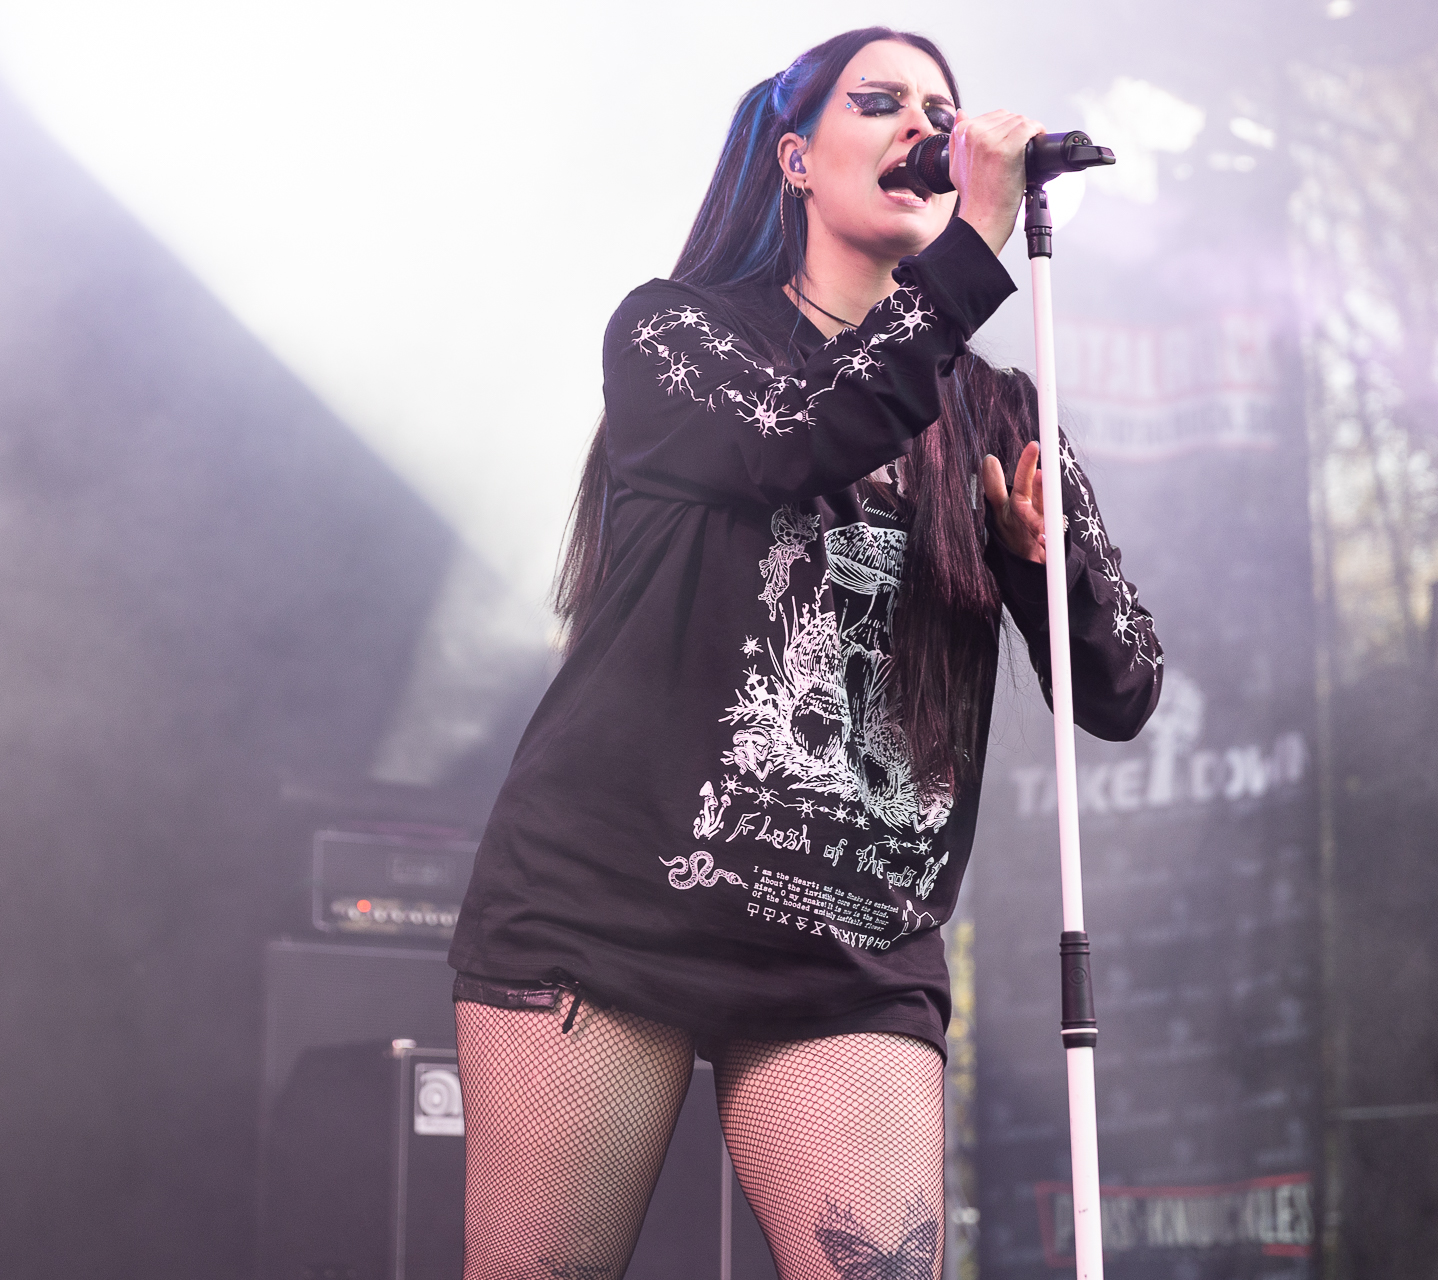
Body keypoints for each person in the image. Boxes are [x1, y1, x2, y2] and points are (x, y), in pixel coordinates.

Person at [447, 26, 1162, 1280]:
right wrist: (971, 251)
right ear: (794, 159)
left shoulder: (999, 410)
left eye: (939, 108)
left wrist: (1040, 566)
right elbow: (795, 436)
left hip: (850, 949)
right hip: (608, 907)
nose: (923, 127)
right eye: (879, 103)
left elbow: (1124, 687)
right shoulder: (675, 335)